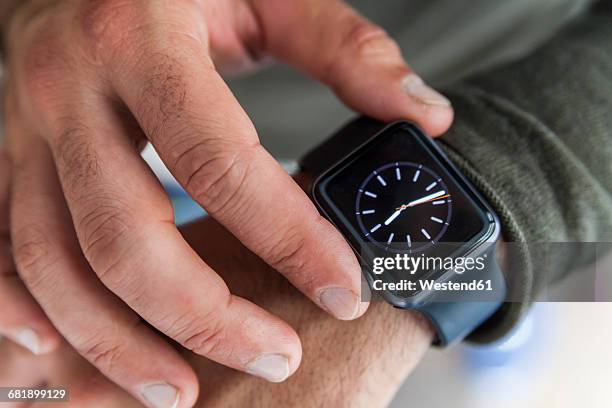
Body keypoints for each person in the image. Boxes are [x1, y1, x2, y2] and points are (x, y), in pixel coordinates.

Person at [1, 1, 611, 407]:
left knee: (508, 268)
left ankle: (485, 298)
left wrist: (519, 184)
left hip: (507, 78)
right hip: (191, 106)